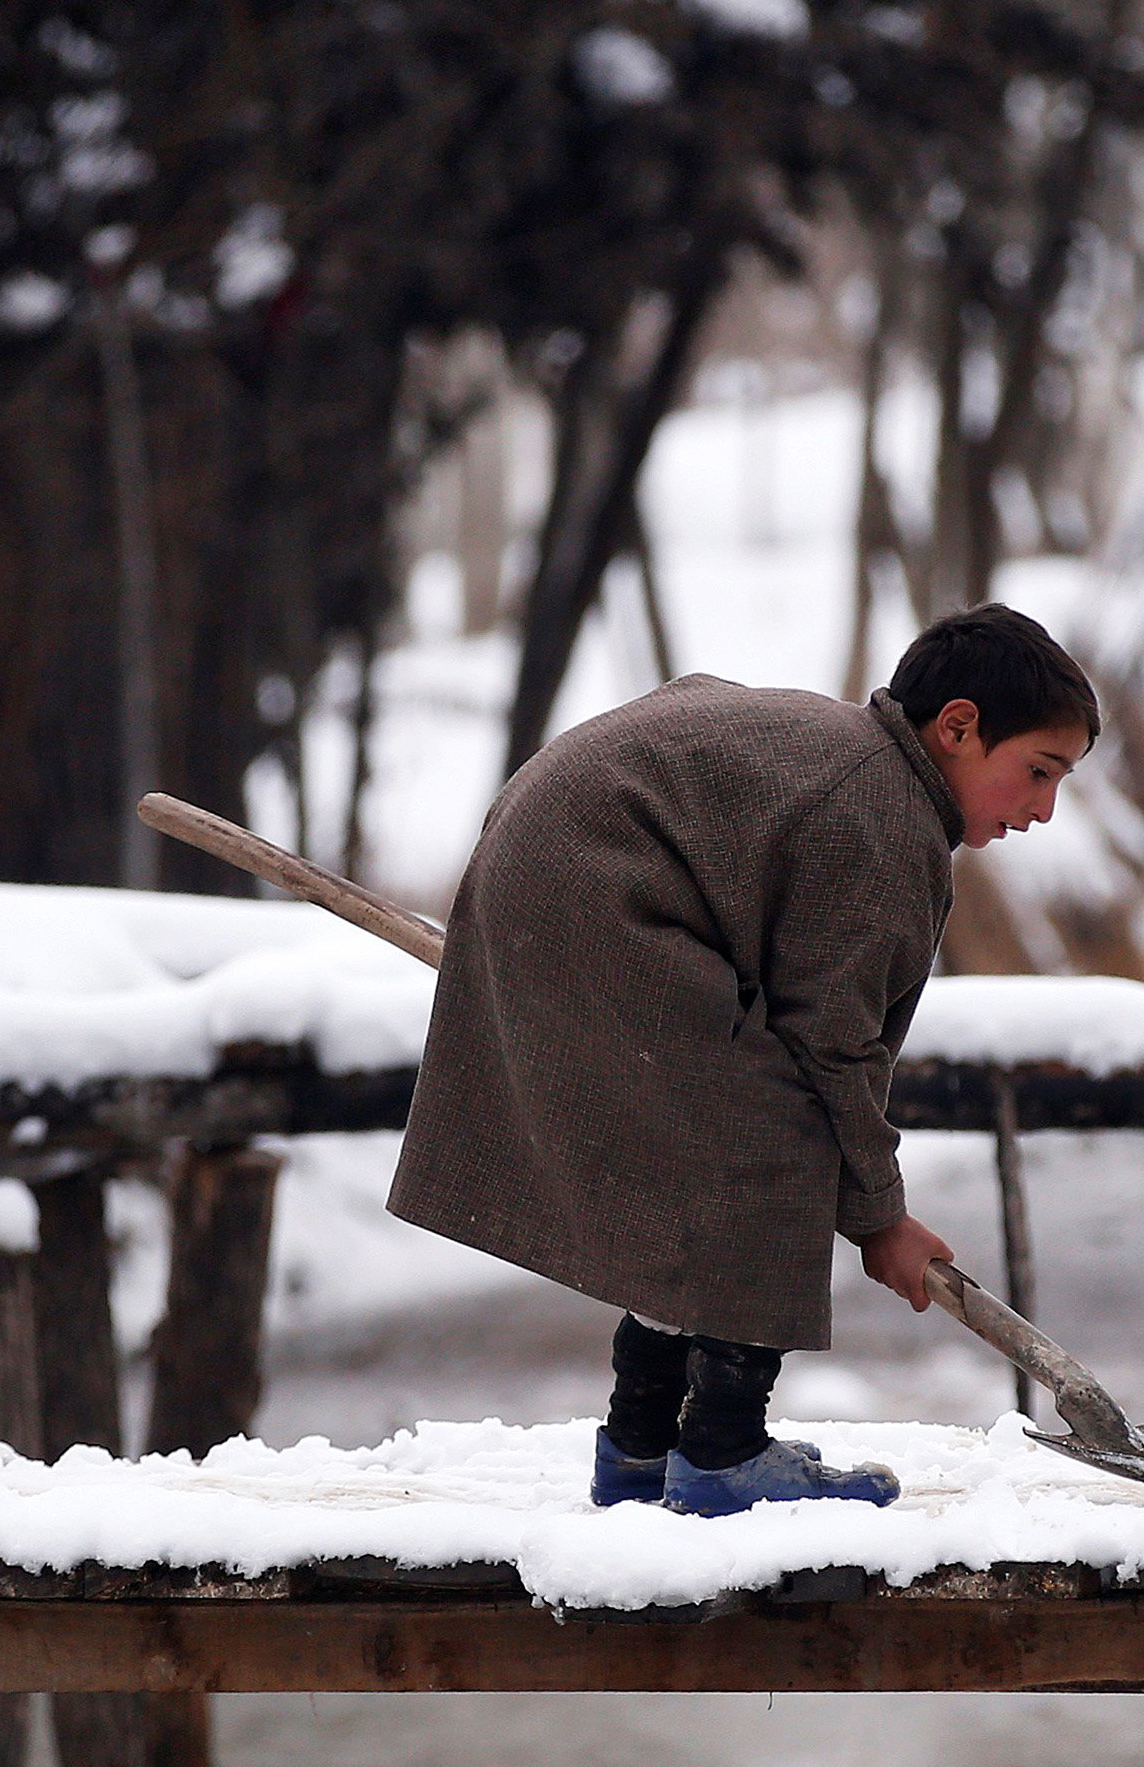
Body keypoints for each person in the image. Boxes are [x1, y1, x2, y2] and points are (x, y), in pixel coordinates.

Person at [388, 603, 1100, 1514]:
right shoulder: (884, 823)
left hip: (545, 879)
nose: (1043, 810)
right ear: (957, 727)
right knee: (775, 1130)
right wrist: (881, 1216)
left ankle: (641, 1449)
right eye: (1038, 773)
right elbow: (832, 1050)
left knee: (707, 1157)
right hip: (598, 899)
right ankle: (722, 1453)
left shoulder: (849, 760)